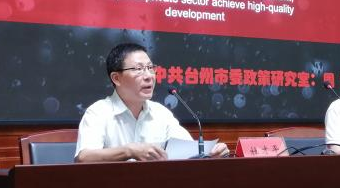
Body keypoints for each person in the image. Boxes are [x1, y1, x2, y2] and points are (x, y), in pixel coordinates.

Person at [75, 42, 229, 162]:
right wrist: (129, 151)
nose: (149, 76)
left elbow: (190, 152)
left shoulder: (161, 113)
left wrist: (210, 154)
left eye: (150, 68)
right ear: (116, 78)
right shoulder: (98, 112)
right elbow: (83, 157)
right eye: (138, 69)